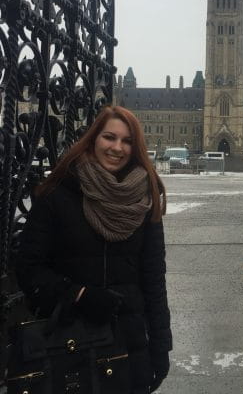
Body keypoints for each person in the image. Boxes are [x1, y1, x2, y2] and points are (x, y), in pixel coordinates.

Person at [15, 105, 172, 394]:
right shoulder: (57, 193)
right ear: (93, 139)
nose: (117, 147)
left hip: (129, 348)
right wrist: (78, 295)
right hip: (68, 348)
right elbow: (28, 268)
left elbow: (154, 281)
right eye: (109, 137)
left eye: (126, 141)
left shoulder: (145, 199)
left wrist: (161, 348)